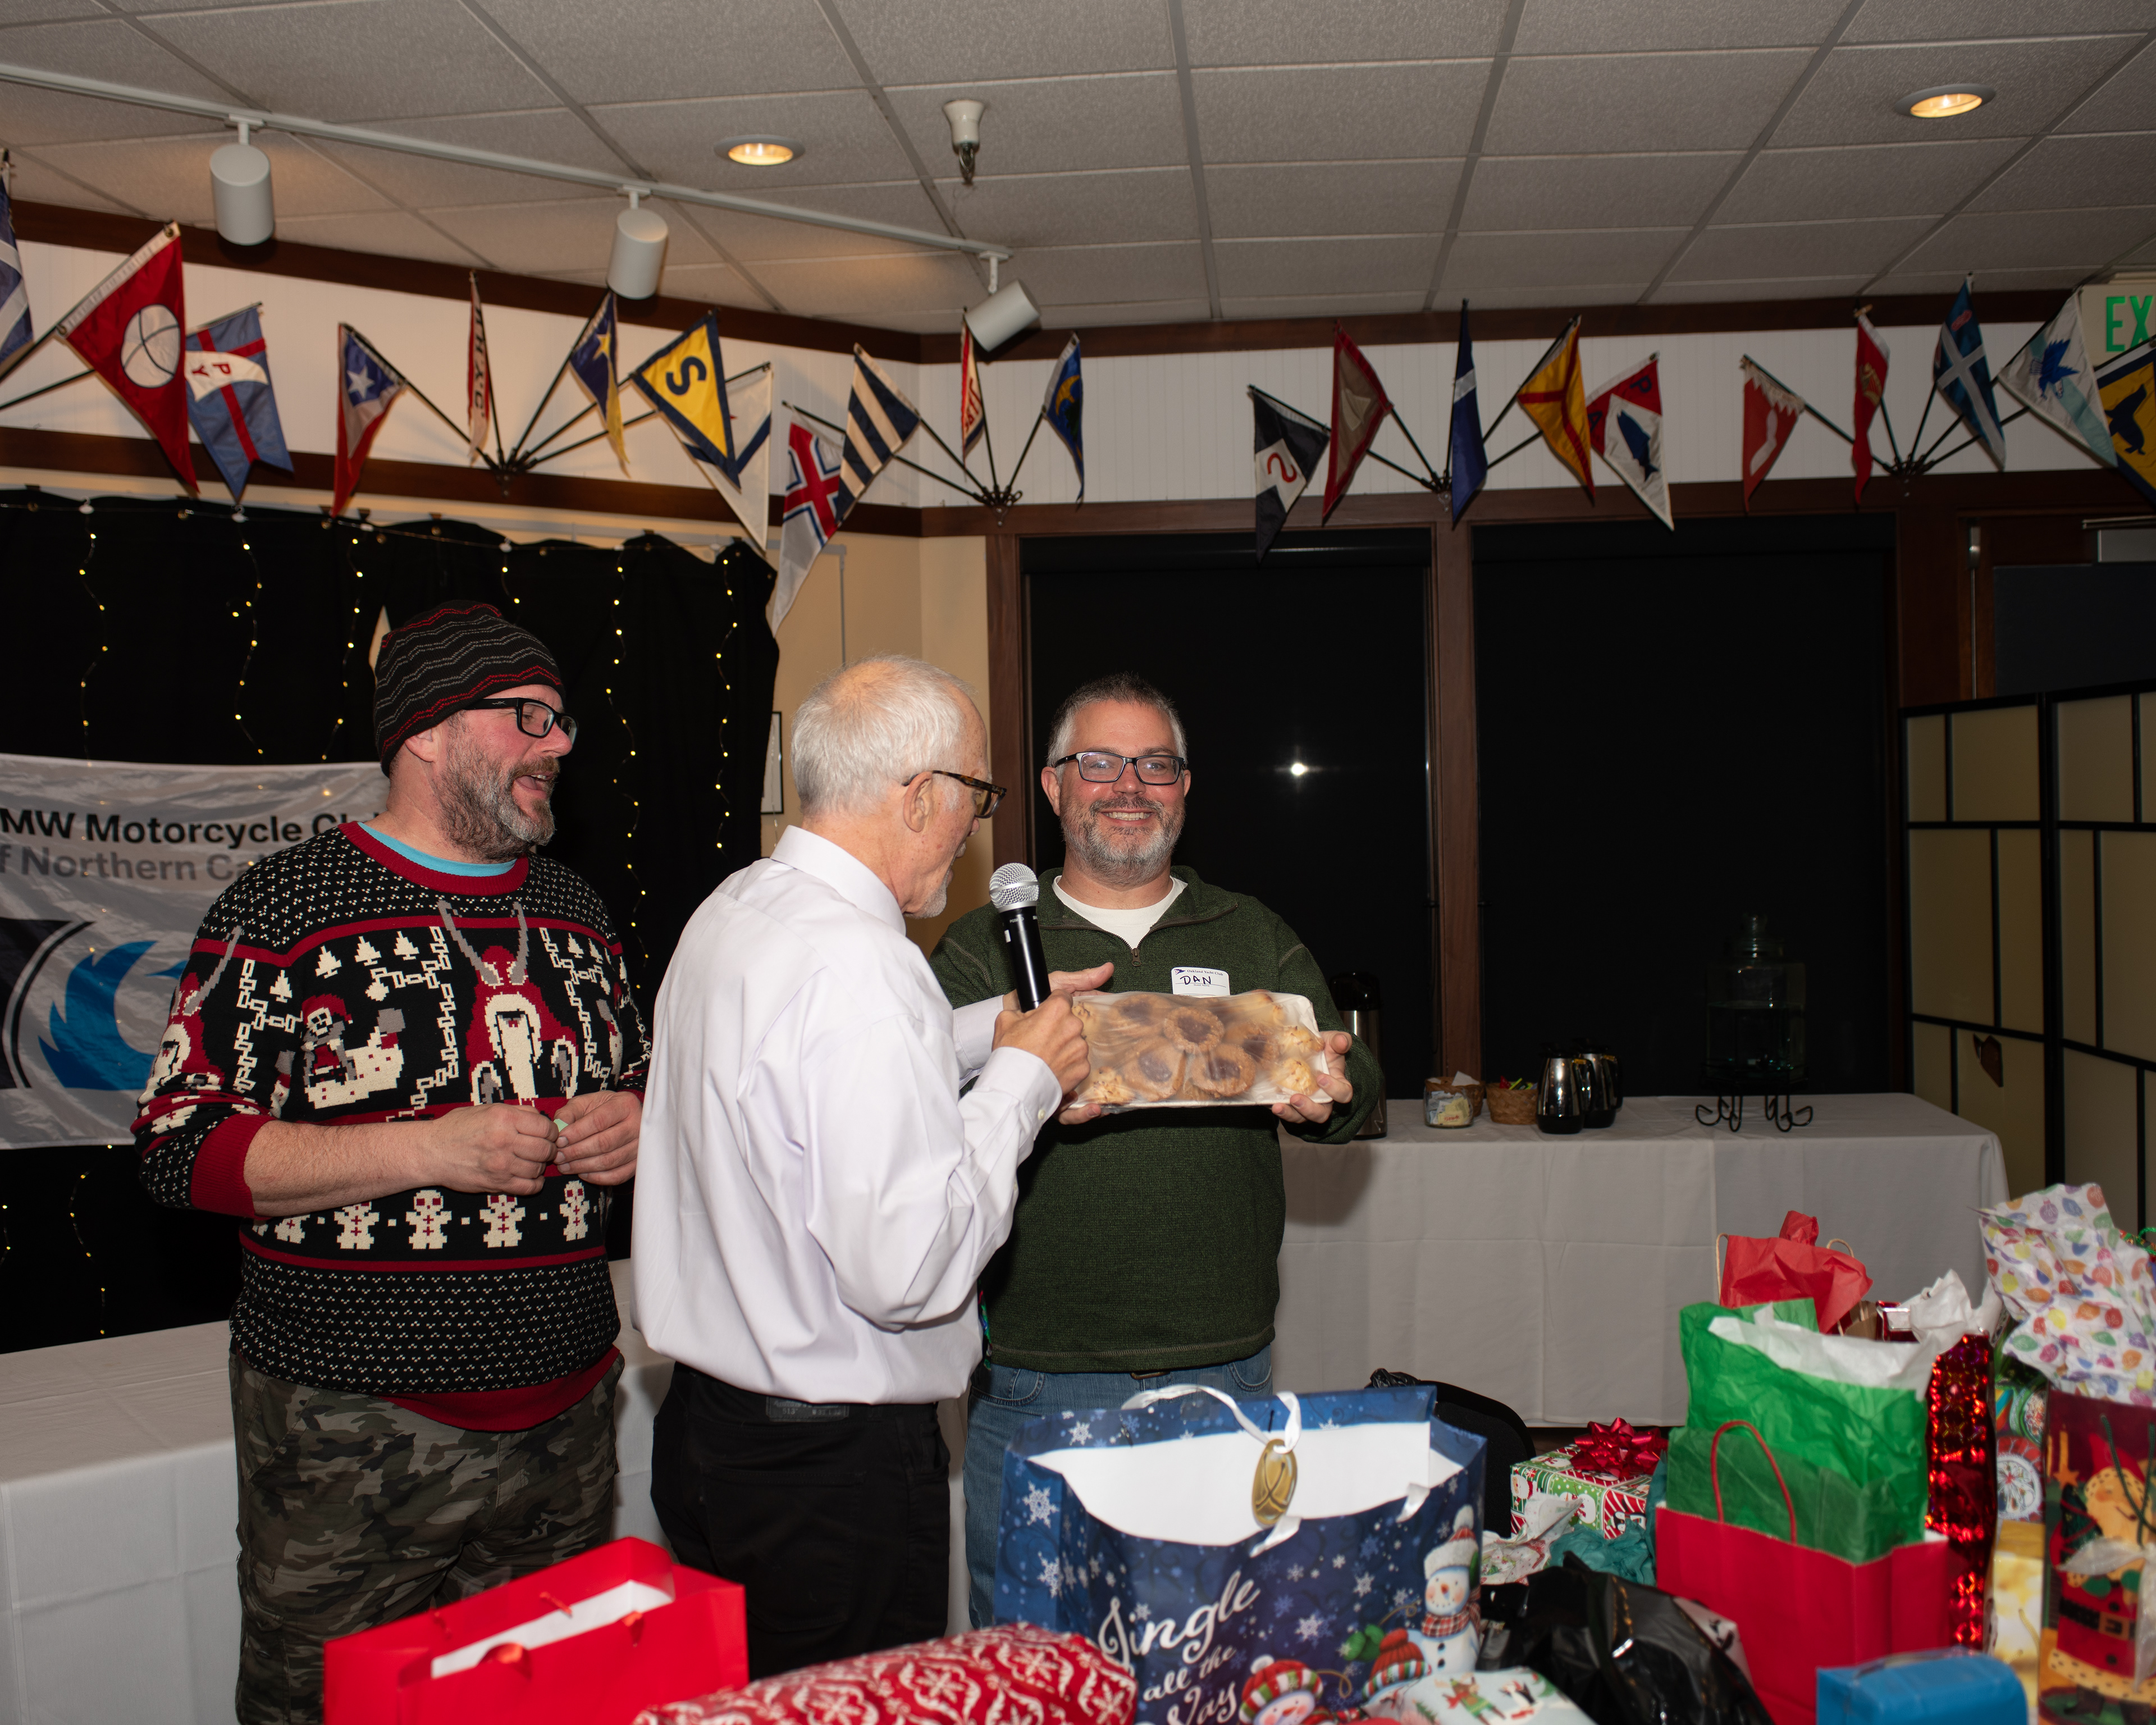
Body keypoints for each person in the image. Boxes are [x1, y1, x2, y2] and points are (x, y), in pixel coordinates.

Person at [135, 600, 647, 1725]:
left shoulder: (579, 912)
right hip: (352, 1432)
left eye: (563, 719)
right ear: (425, 731)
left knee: (543, 1711)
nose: (560, 744)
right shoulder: (284, 907)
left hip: (568, 1422)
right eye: (528, 717)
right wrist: (428, 1147)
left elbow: (643, 1082)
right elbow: (179, 1147)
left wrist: (638, 1122)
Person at [634, 654, 1100, 1677]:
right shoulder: (865, 966)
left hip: (713, 1439)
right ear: (921, 794)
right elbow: (910, 1270)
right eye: (977, 794)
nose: (976, 825)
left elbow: (814, 1079)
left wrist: (997, 1030)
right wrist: (1022, 1086)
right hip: (827, 1479)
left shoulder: (738, 907)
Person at [929, 670, 1383, 1626]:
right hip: (1035, 1378)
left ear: (1186, 787)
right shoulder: (984, 944)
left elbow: (1357, 1082)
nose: (1129, 786)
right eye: (1099, 763)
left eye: (1156, 765)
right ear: (1053, 785)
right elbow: (917, 1119)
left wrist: (1338, 1089)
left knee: (1211, 1653)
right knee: (1038, 1665)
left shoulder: (1250, 930)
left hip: (1223, 1371)